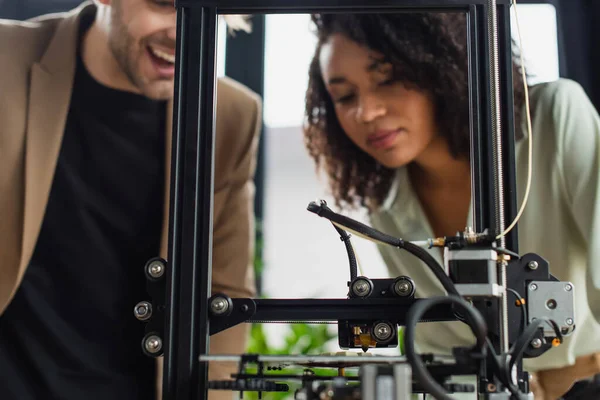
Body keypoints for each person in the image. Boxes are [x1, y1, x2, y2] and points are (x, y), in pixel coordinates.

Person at [303, 11, 600, 400]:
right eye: (345, 96)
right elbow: (440, 354)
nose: (367, 112)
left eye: (388, 79)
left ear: (442, 64)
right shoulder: (385, 204)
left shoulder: (554, 117)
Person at [0, 1, 261, 399]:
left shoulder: (231, 113)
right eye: (164, 4)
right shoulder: (6, 57)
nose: (182, 30)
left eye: (211, 8)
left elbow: (225, 294)